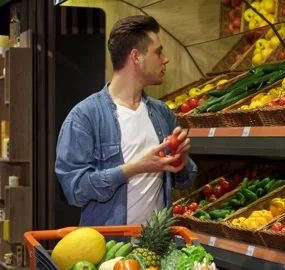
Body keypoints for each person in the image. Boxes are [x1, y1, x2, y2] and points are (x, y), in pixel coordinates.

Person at [55, 15, 197, 227]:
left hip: (156, 248)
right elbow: (75, 190)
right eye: (158, 52)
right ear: (135, 57)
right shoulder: (85, 116)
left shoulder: (162, 112)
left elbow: (186, 179)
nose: (165, 59)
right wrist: (133, 168)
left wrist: (181, 161)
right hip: (108, 251)